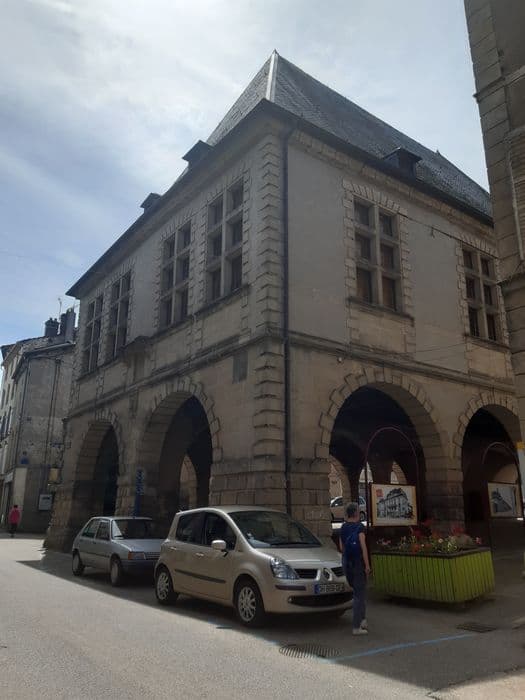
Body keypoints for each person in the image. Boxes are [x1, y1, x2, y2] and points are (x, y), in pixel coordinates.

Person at [339, 501, 371, 635]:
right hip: (358, 563)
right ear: (357, 513)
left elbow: (342, 547)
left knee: (358, 592)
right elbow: (363, 547)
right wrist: (367, 565)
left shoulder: (343, 527)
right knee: (359, 594)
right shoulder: (360, 527)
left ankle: (363, 620)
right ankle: (357, 626)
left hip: (347, 563)